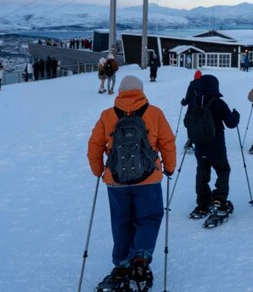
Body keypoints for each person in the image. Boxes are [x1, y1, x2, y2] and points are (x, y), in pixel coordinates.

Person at [87, 75, 176, 289]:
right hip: (148, 180)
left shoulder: (108, 115)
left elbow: (94, 146)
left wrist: (99, 170)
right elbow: (168, 143)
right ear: (141, 91)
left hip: (116, 181)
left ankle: (122, 262)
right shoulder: (154, 113)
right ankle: (140, 259)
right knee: (149, 217)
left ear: (120, 92)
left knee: (121, 222)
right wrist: (169, 168)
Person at [184, 74, 240, 219]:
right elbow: (231, 123)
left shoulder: (194, 102)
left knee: (202, 174)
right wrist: (236, 116)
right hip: (216, 147)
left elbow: (186, 122)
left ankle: (203, 203)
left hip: (200, 146)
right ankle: (219, 200)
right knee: (223, 170)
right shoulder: (218, 103)